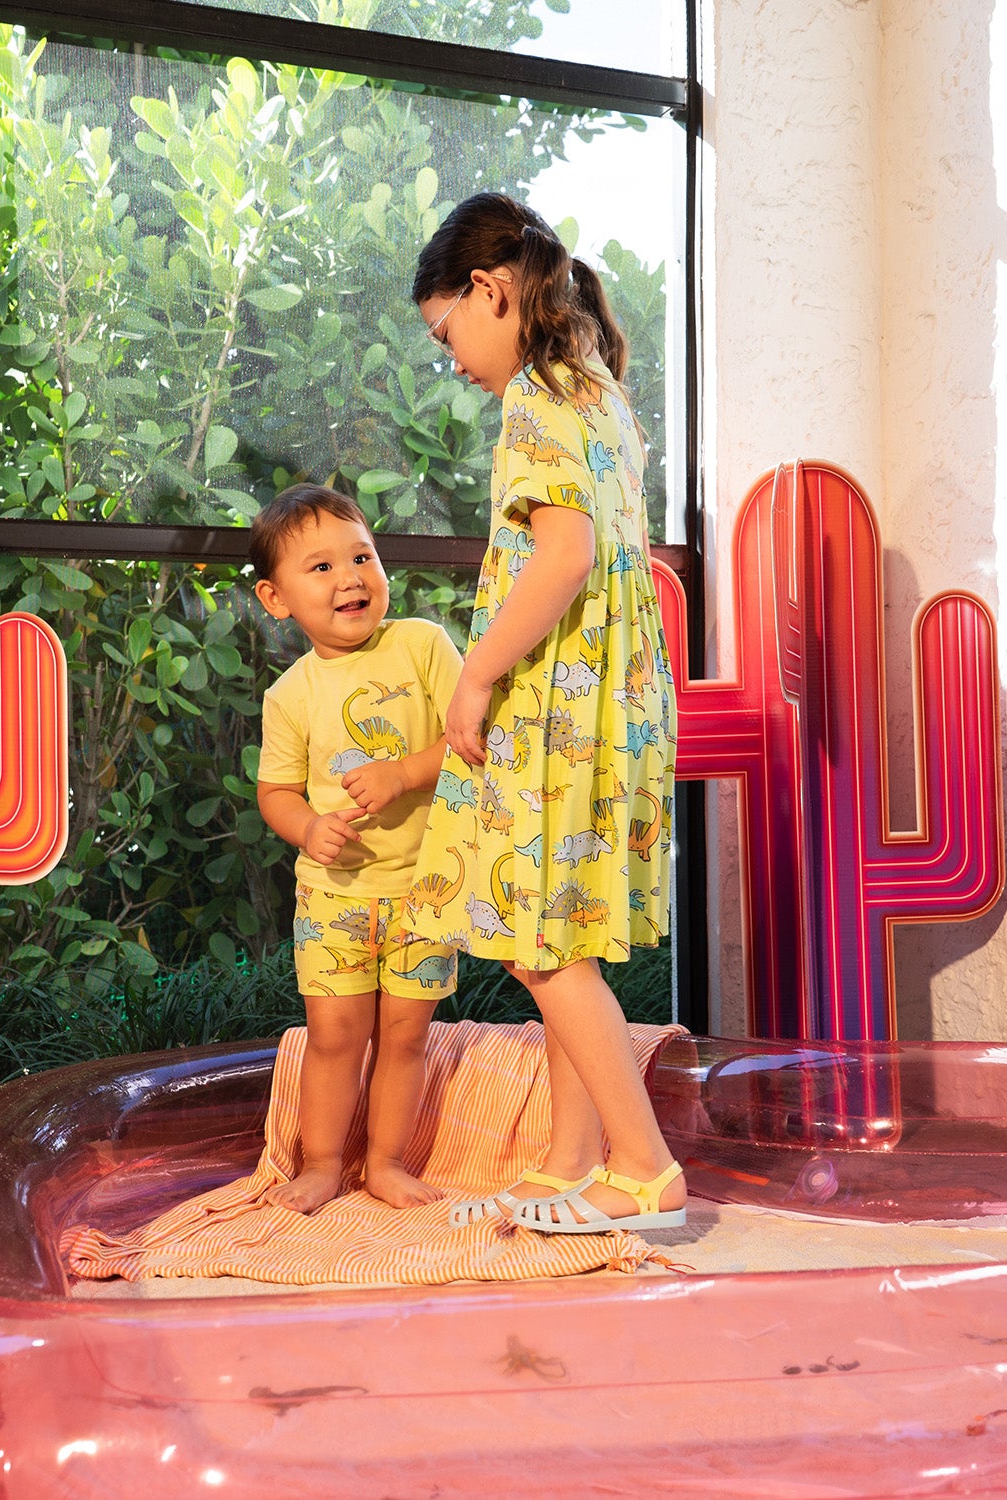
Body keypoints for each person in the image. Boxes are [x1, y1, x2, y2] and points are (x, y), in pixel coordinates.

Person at [404, 192, 687, 1234]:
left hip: (559, 708)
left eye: (446, 335)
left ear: (490, 290)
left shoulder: (535, 396)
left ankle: (644, 1169)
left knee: (540, 945)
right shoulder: (595, 388)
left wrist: (474, 675)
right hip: (614, 705)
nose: (452, 362)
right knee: (561, 935)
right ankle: (573, 1161)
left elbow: (563, 557)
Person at [253, 484, 463, 1212]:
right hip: (333, 897)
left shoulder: (422, 645)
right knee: (334, 1037)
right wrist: (309, 827)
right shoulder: (290, 695)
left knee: (404, 1038)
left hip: (427, 890)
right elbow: (276, 792)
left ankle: (385, 1163)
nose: (350, 577)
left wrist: (403, 772)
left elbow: (473, 738)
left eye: (362, 557)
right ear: (275, 598)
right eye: (321, 567)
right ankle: (319, 1164)